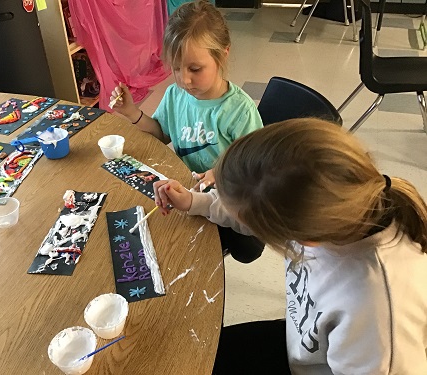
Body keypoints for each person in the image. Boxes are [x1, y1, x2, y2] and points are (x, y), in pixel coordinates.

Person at [153, 118, 427, 374]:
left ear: (298, 237)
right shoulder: (336, 199)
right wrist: (193, 201)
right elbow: (246, 201)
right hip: (301, 346)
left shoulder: (378, 310)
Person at [110, 0, 263, 192]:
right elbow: (161, 134)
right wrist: (131, 112)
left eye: (195, 69)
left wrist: (219, 173)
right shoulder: (175, 95)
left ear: (223, 55)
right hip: (187, 190)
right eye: (176, 68)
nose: (184, 80)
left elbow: (256, 168)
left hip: (226, 199)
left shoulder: (240, 111)